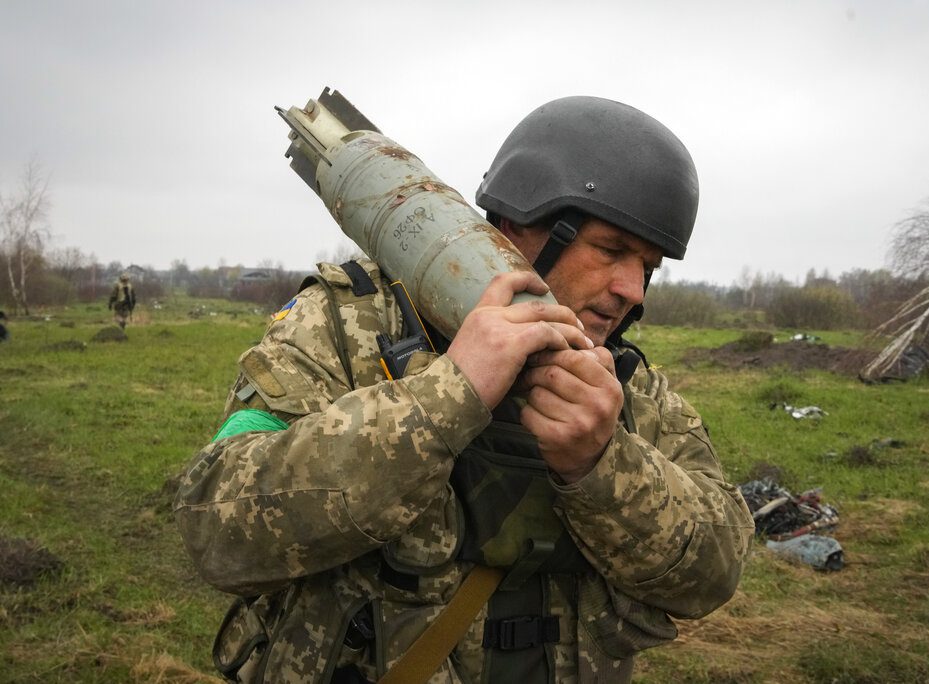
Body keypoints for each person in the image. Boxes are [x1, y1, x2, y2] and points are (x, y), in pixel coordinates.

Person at [174, 96, 754, 683]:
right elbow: (214, 521)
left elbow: (716, 568)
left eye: (649, 266)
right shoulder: (346, 326)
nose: (634, 290)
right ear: (518, 223)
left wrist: (601, 465)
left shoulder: (629, 391)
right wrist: (448, 396)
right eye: (610, 251)